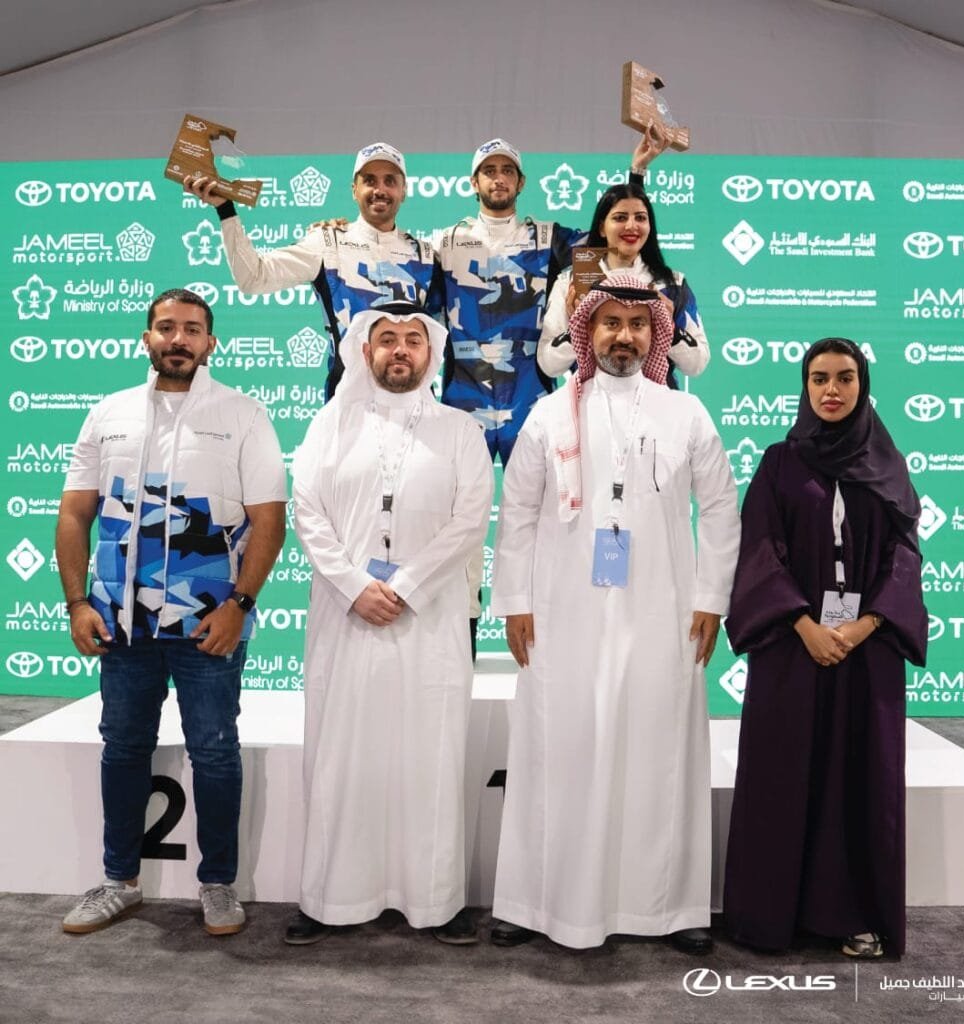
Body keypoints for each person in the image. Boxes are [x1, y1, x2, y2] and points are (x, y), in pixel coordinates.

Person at [489, 274, 740, 952]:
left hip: (663, 610)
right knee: (558, 746)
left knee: (659, 750)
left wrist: (711, 598)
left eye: (637, 324)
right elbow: (516, 513)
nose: (623, 336)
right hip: (563, 611)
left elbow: (721, 509)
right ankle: (534, 902)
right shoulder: (550, 414)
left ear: (654, 335)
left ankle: (669, 909)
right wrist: (514, 601)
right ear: (588, 333)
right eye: (610, 323)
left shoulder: (686, 414)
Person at [56, 288, 287, 936]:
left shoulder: (243, 414)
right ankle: (117, 881)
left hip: (208, 620)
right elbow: (74, 513)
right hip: (120, 621)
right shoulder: (108, 414)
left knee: (214, 751)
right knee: (123, 747)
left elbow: (269, 520)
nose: (178, 338)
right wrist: (77, 602)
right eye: (166, 327)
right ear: (147, 338)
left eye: (191, 329)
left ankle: (218, 884)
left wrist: (239, 605)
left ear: (211, 342)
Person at [286, 302, 493, 946]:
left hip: (429, 621)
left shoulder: (461, 430)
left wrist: (403, 586)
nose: (400, 350)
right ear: (364, 351)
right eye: (387, 340)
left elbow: (470, 519)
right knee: (341, 756)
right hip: (345, 618)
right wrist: (355, 587)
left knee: (430, 758)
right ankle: (330, 898)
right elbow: (306, 512)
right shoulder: (330, 425)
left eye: (413, 340)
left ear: (431, 355)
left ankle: (435, 901)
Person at [722, 337, 928, 959]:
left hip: (867, 652)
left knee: (859, 782)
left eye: (844, 378)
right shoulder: (780, 463)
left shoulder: (888, 466)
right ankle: (770, 919)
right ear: (805, 386)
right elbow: (761, 549)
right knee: (782, 776)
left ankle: (854, 916)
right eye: (819, 379)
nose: (831, 390)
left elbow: (904, 557)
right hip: (793, 648)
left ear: (863, 386)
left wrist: (866, 625)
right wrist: (803, 623)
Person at [436, 131, 666, 465]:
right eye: (489, 171)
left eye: (507, 171)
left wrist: (637, 175)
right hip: (464, 395)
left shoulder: (547, 238)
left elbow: (610, 238)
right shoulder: (446, 242)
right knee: (459, 493)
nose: (499, 178)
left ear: (521, 182)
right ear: (474, 182)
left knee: (537, 495)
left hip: (530, 393)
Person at [183, 143, 444, 399]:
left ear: (403, 191)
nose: (380, 190)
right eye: (369, 181)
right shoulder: (327, 242)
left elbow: (444, 329)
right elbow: (254, 277)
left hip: (415, 401)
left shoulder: (425, 254)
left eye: (390, 181)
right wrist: (225, 209)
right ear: (354, 190)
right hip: (349, 403)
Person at [538, 182, 710, 385]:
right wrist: (579, 326)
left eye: (640, 218)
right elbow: (549, 365)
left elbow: (697, 364)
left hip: (656, 402)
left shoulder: (672, 284)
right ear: (602, 228)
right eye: (620, 218)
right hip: (592, 401)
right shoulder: (571, 283)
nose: (631, 226)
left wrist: (669, 329)